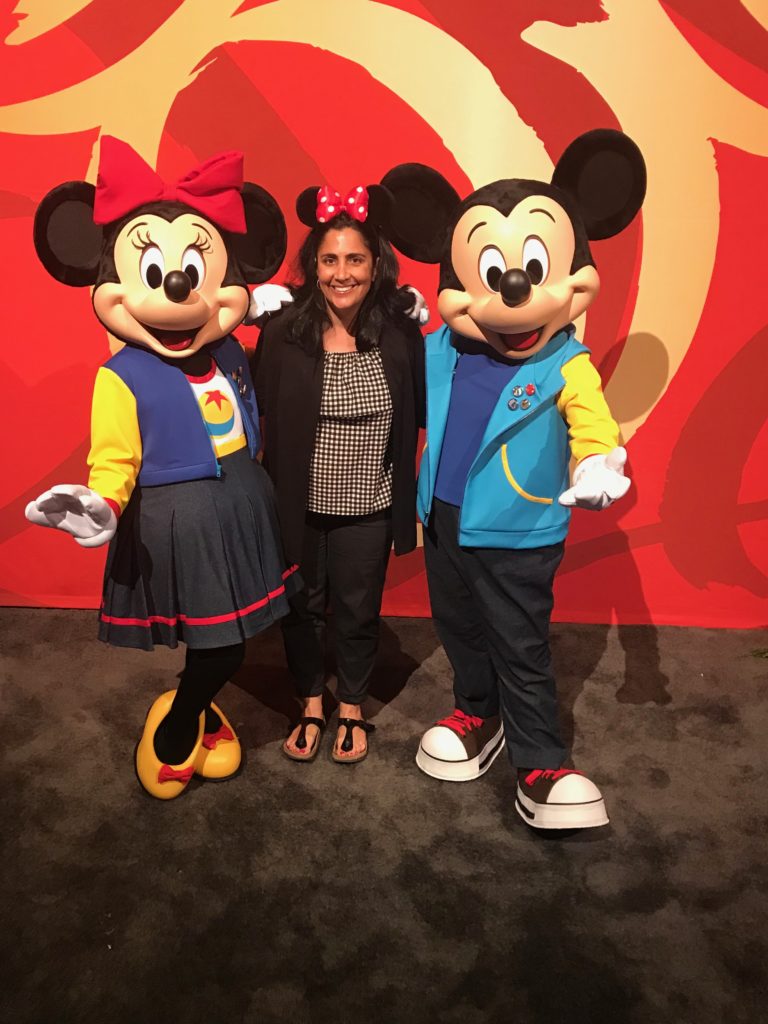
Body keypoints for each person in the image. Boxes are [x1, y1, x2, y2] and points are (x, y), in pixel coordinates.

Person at [25, 137, 299, 800]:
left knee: (229, 633)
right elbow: (114, 456)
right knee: (223, 643)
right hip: (179, 516)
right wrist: (102, 503)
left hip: (241, 502)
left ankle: (192, 710)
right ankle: (178, 728)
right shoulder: (122, 377)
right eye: (153, 274)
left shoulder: (230, 349)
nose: (177, 289)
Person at [251, 183, 425, 764]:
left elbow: (423, 408)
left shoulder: (401, 335)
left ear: (376, 266)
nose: (342, 273)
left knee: (357, 609)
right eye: (330, 260)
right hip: (297, 506)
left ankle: (350, 705)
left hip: (368, 506)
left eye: (355, 259)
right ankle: (309, 702)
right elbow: (254, 412)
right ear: (313, 266)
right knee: (302, 609)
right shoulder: (280, 335)